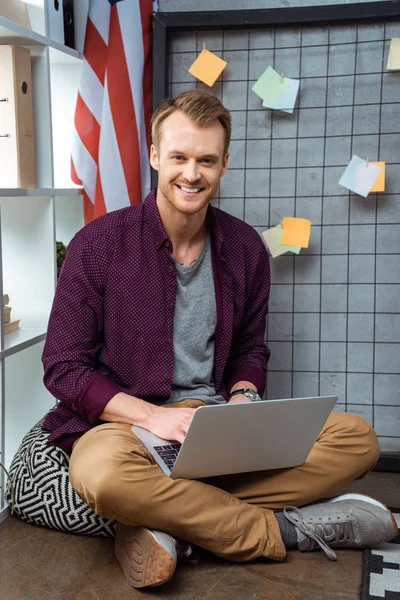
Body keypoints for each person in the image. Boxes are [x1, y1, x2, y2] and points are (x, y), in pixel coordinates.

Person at [41, 89, 397, 589]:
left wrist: (245, 398)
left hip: (215, 422)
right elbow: (63, 367)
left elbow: (252, 347)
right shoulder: (97, 245)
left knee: (357, 439)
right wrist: (155, 416)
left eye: (206, 160)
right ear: (154, 156)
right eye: (180, 157)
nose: (192, 173)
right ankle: (282, 529)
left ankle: (170, 524)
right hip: (129, 427)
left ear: (225, 164)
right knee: (100, 476)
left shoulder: (246, 247)